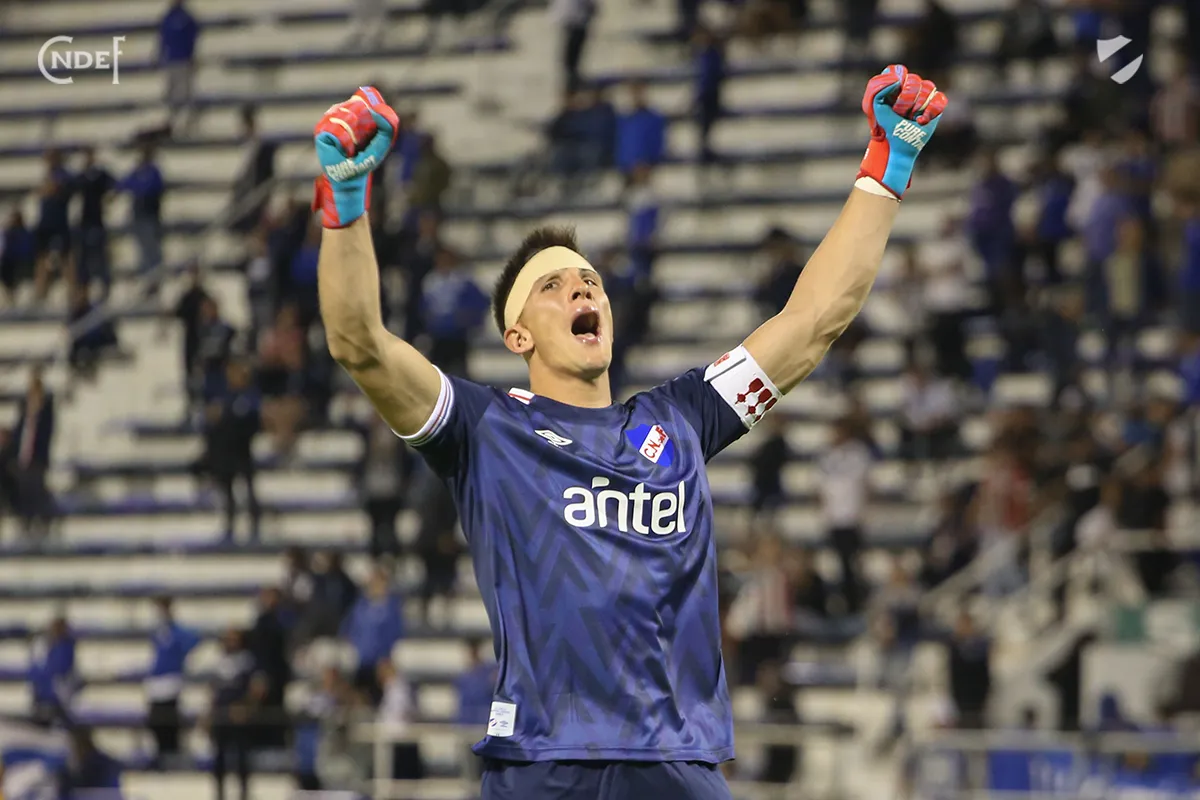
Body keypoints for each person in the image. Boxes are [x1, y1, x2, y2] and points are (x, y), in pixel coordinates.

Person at [311, 74, 947, 798]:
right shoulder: (486, 429)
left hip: (676, 766)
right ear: (518, 336)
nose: (582, 289)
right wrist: (346, 205)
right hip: (544, 766)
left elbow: (812, 321)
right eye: (552, 287)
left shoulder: (682, 417)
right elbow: (360, 344)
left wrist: (886, 170)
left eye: (588, 280)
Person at [145, 596, 201, 765]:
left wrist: (180, 658)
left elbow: (194, 639)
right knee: (155, 720)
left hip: (170, 680)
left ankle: (171, 752)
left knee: (168, 718)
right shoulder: (158, 631)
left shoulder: (177, 631)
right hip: (157, 680)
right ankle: (161, 752)